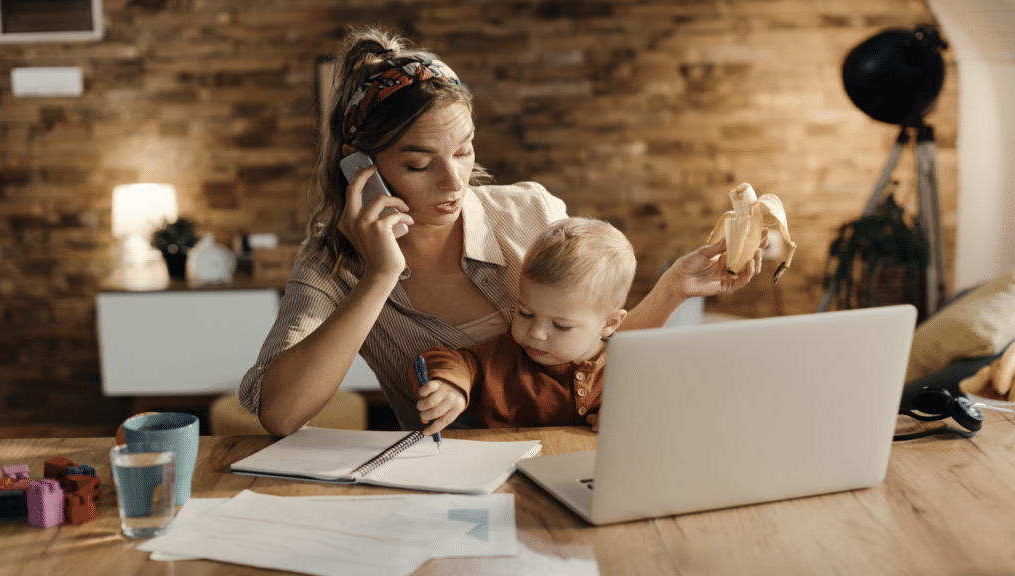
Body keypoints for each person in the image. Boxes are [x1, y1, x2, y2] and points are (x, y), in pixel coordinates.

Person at [239, 25, 765, 437]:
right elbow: (281, 415)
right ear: (361, 168)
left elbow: (596, 351)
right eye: (420, 164)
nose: (453, 181)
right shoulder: (331, 263)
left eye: (464, 151)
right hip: (447, 486)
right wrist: (379, 276)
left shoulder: (531, 213)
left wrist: (672, 287)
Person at [413, 217, 634, 433]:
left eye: (560, 325)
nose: (536, 333)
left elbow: (657, 411)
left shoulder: (628, 368)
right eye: (525, 313)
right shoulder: (502, 358)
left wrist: (623, 414)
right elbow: (445, 360)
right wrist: (451, 385)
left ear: (609, 323)